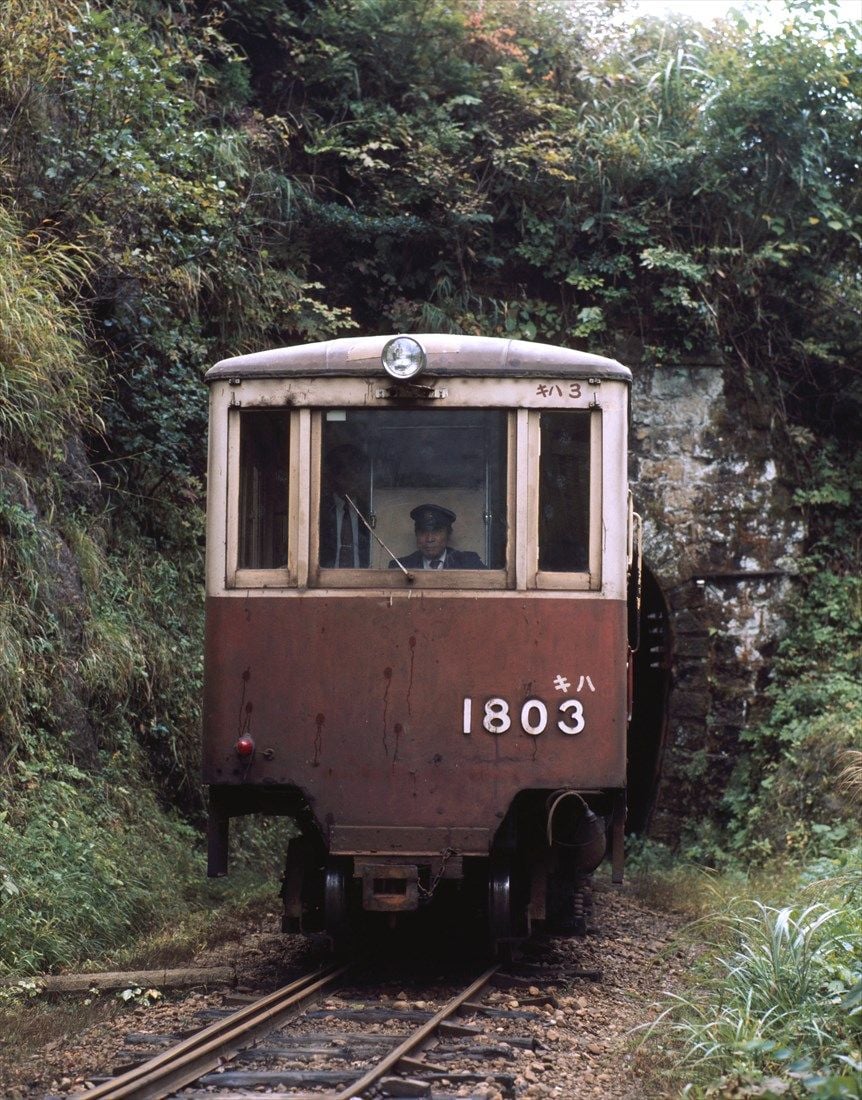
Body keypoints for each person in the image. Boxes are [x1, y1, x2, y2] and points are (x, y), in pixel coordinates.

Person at [319, 444, 371, 567]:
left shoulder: (370, 511)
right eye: (341, 470)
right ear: (331, 475)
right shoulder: (319, 512)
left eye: (355, 470)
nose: (348, 476)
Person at [389, 504, 485, 570]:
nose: (430, 539)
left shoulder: (469, 564)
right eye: (423, 532)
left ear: (448, 535)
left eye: (436, 531)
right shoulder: (400, 567)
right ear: (416, 535)